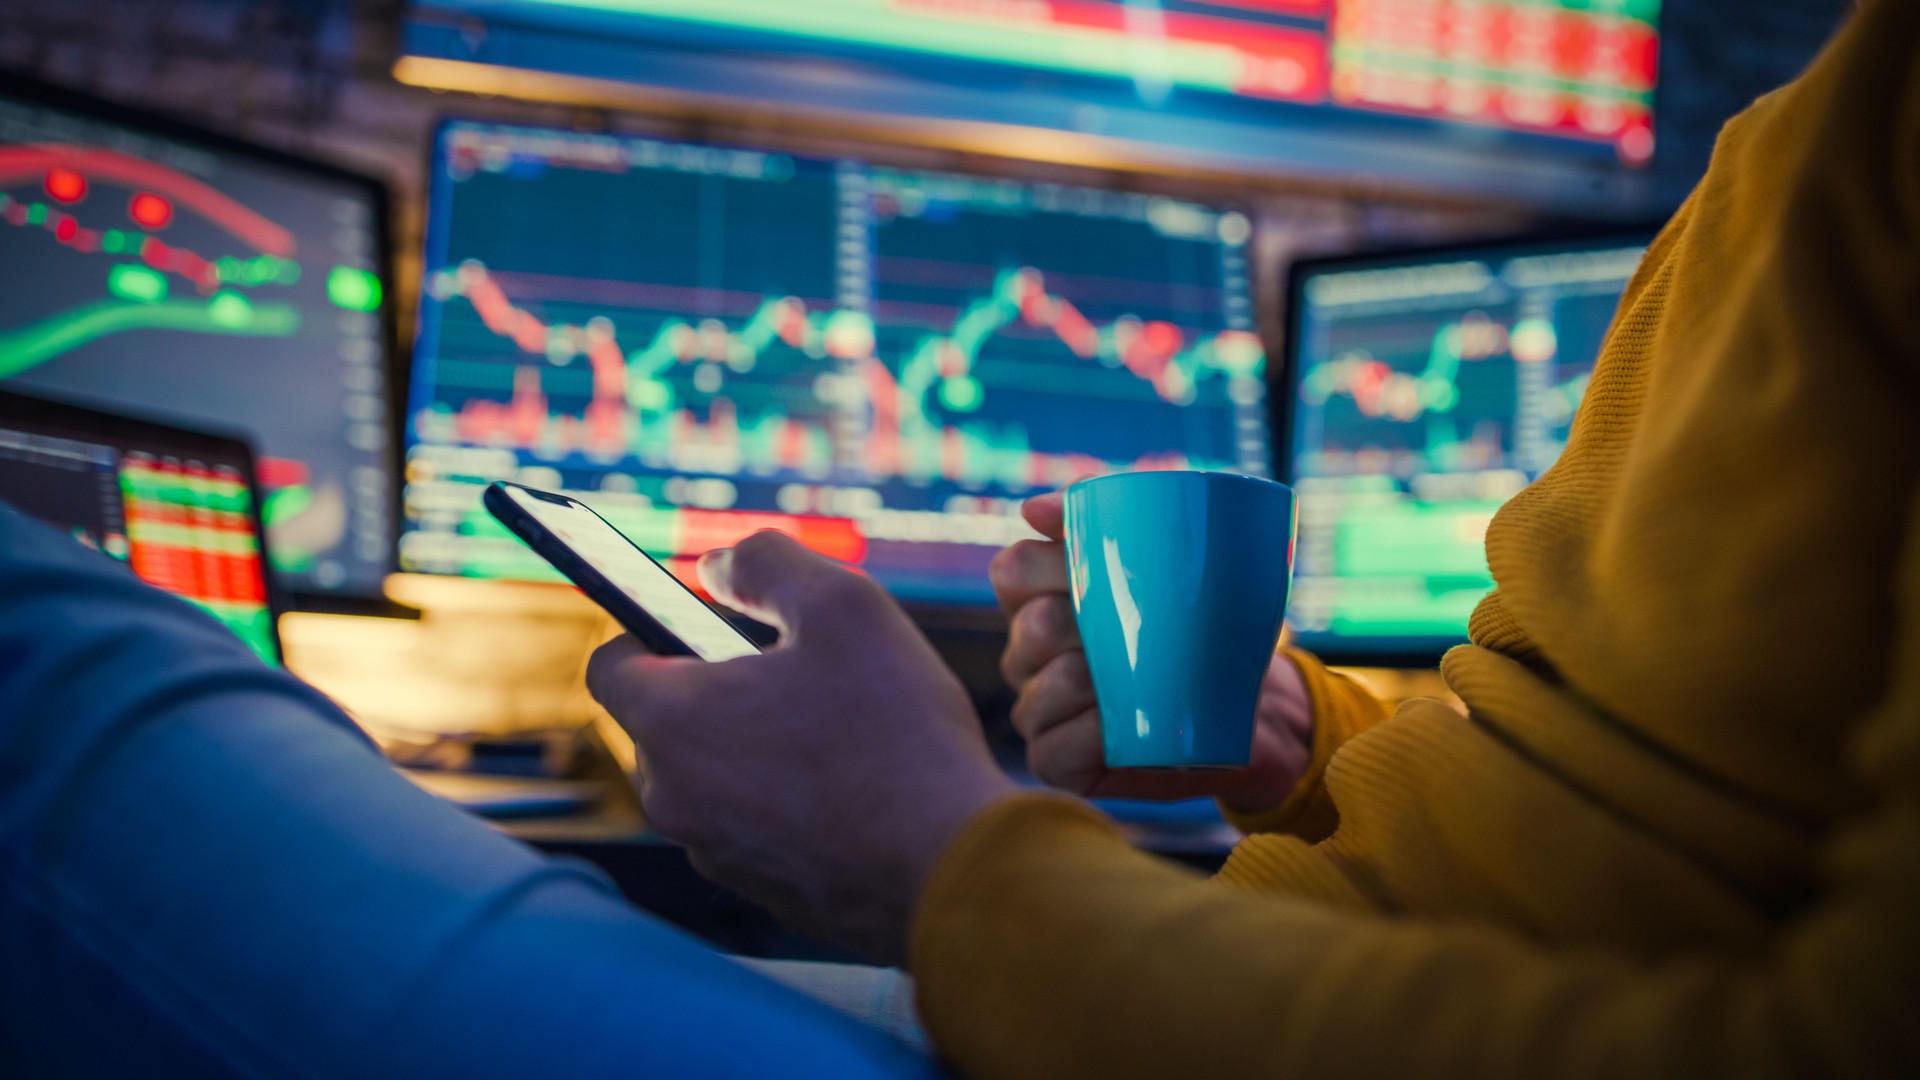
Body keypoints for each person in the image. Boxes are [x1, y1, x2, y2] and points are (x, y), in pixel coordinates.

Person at [584, 1, 1920, 1076]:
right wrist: (1313, 749)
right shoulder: (1827, 124)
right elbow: (1646, 801)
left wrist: (931, 862)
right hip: (1170, 976)